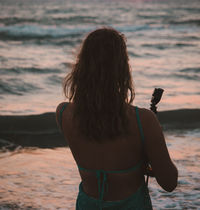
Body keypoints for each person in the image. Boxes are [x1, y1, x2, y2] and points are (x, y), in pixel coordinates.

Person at [56, 27, 178, 210]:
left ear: (81, 66)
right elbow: (169, 183)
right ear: (122, 69)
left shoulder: (63, 113)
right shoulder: (143, 120)